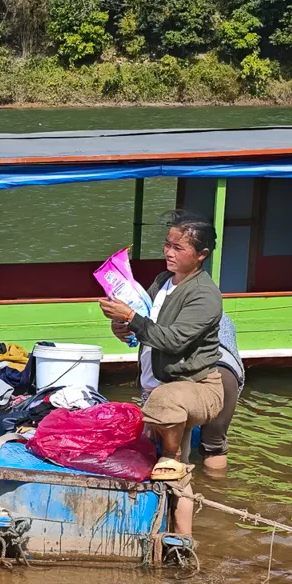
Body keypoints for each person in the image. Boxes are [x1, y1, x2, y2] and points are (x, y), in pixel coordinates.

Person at [97, 211, 224, 548]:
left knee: (173, 462)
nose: (169, 252)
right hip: (156, 387)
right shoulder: (161, 282)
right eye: (167, 245)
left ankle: (183, 539)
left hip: (195, 388)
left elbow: (171, 340)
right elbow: (143, 334)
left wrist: (131, 316)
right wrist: (122, 327)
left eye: (178, 248)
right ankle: (166, 535)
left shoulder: (205, 295)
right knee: (160, 462)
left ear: (201, 255)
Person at [139, 312, 244, 473]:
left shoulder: (157, 319)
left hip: (191, 376)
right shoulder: (220, 314)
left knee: (172, 457)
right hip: (228, 374)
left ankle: (181, 494)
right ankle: (216, 490)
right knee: (214, 447)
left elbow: (151, 387)